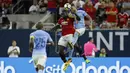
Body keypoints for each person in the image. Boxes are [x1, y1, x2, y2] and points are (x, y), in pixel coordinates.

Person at [58, 3, 80, 71]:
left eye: (67, 10)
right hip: (63, 36)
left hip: (70, 34)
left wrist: (75, 13)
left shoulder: (71, 17)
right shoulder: (61, 18)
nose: (64, 12)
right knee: (60, 52)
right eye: (65, 10)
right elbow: (60, 21)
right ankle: (65, 62)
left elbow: (78, 19)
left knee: (72, 45)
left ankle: (70, 57)